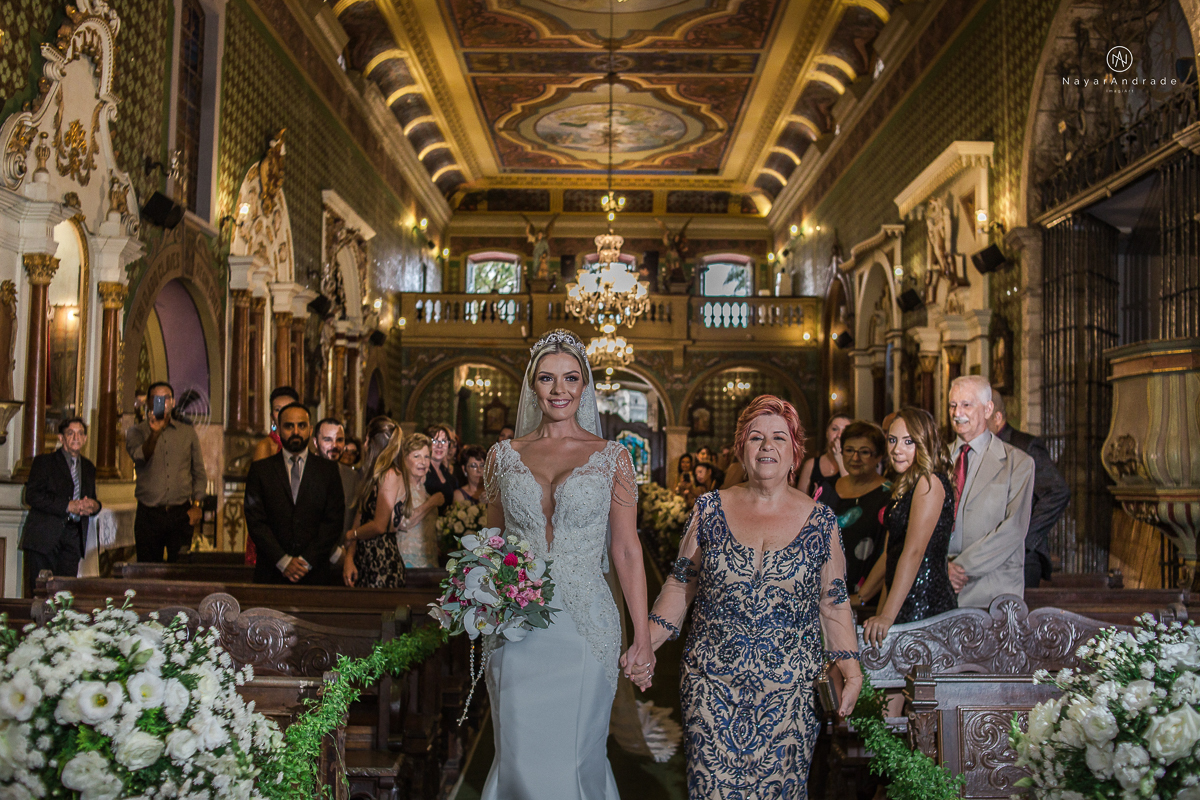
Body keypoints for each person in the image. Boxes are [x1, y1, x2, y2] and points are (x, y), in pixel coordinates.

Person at [644, 395, 861, 798]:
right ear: (741, 448)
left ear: (795, 451)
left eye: (779, 437)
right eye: (756, 437)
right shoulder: (709, 508)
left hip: (791, 693)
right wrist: (647, 643)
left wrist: (850, 667)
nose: (766, 446)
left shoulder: (821, 521)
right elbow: (680, 583)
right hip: (711, 685)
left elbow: (833, 601)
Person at [479, 329, 651, 799]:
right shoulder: (502, 457)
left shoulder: (613, 458)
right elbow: (491, 543)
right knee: (517, 754)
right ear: (532, 385)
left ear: (584, 385)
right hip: (515, 625)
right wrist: (478, 597)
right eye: (547, 378)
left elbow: (627, 550)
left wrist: (642, 637)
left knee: (576, 757)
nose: (559, 390)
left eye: (571, 378)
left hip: (585, 625)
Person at [859, 408, 957, 645]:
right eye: (892, 440)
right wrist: (881, 611)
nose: (896, 449)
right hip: (901, 601)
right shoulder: (906, 484)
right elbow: (891, 555)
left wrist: (886, 616)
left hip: (925, 605)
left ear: (924, 442)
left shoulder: (929, 481)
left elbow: (913, 553)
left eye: (908, 441)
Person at [946, 376, 1035, 608]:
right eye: (953, 405)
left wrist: (959, 568)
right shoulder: (936, 460)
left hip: (991, 590)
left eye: (966, 405)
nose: (957, 413)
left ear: (988, 409)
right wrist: (940, 568)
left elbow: (1014, 528)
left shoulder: (1018, 463)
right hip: (939, 587)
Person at [244, 403, 345, 585]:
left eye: (301, 426)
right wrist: (283, 561)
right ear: (278, 430)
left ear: (310, 430)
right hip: (272, 573)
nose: (296, 431)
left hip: (315, 574)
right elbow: (255, 521)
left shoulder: (328, 471)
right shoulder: (261, 471)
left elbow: (334, 521)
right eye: (289, 426)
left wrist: (306, 561)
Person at [987, 394, 1070, 588]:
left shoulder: (1025, 446)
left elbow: (1058, 492)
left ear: (997, 417)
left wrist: (1024, 537)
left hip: (1020, 560)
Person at [125, 382, 207, 562]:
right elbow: (140, 457)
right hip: (149, 514)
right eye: (157, 399)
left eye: (166, 398)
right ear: (148, 403)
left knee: (180, 570)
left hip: (180, 514)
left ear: (173, 402)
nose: (162, 403)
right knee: (147, 570)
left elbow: (198, 472)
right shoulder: (136, 432)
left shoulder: (187, 433)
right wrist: (154, 433)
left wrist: (197, 505)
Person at [20, 418, 101, 591]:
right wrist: (67, 506)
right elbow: (32, 496)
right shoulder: (44, 462)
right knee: (41, 593)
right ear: (61, 438)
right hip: (45, 538)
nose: (76, 438)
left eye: (80, 433)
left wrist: (95, 506)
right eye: (71, 433)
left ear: (85, 438)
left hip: (73, 538)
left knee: (65, 594)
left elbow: (92, 498)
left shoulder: (88, 467)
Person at [821, 421, 890, 592]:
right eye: (849, 450)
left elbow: (890, 554)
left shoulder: (889, 495)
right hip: (823, 593)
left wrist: (862, 598)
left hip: (866, 596)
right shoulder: (826, 489)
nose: (855, 458)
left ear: (879, 456)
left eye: (864, 452)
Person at [342, 418, 405, 587]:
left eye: (366, 440)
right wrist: (349, 556)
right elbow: (360, 517)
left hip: (382, 560)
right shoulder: (372, 476)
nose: (364, 446)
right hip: (363, 557)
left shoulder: (390, 474)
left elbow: (379, 525)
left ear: (374, 443)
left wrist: (350, 535)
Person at [314, 417, 362, 574]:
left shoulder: (352, 477)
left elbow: (354, 520)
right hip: (309, 563)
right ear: (315, 442)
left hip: (343, 565)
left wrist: (348, 556)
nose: (334, 445)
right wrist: (334, 554)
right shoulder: (303, 473)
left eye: (339, 440)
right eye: (327, 439)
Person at [395, 433, 442, 568]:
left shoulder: (424, 490)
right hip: (407, 562)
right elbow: (402, 523)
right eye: (417, 456)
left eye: (426, 457)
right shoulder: (400, 487)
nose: (423, 462)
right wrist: (432, 503)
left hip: (429, 561)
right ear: (404, 459)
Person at [797, 413, 851, 499]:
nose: (839, 435)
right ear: (827, 433)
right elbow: (799, 500)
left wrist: (839, 459)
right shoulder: (811, 465)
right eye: (834, 429)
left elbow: (852, 494)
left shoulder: (855, 464)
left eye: (844, 431)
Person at [253, 386, 300, 461]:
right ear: (272, 416)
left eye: (288, 408)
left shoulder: (305, 444)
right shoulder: (265, 446)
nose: (283, 413)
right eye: (278, 409)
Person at [424, 423, 458, 514]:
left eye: (443, 441)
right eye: (435, 441)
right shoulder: (422, 470)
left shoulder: (446, 472)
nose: (439, 446)